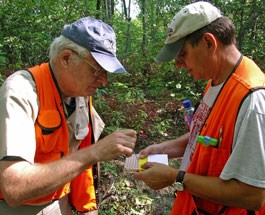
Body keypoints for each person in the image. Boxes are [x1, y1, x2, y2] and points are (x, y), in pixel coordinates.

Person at [134, 2, 265, 214]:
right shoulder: (215, 81)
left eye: (182, 54)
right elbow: (207, 138)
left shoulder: (252, 101)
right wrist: (165, 149)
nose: (178, 64)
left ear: (208, 43)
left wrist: (175, 177)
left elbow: (251, 195)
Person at [0, 17, 137, 215]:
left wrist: (88, 209)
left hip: (60, 204)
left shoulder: (81, 95)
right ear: (66, 58)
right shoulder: (20, 91)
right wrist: (96, 152)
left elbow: (81, 167)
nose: (104, 81)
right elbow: (14, 188)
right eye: (97, 70)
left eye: (106, 72)